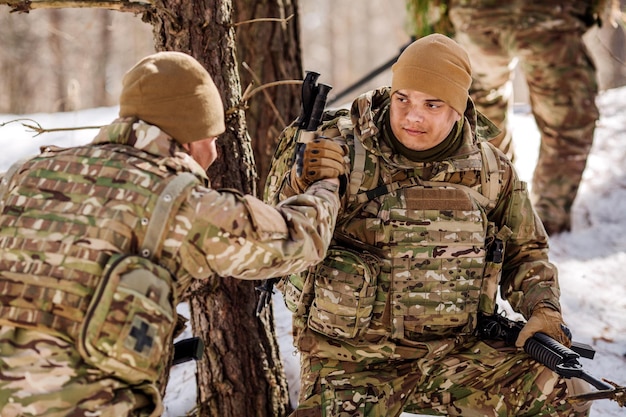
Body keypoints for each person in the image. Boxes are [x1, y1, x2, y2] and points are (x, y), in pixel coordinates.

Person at [0, 51, 347, 417]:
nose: (214, 152)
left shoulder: (25, 175)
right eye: (213, 137)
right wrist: (326, 182)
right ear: (192, 137)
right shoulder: (184, 204)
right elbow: (300, 239)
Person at [265, 34, 592, 417]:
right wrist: (302, 184)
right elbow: (275, 240)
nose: (412, 115)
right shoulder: (337, 149)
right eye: (403, 98)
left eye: (431, 104)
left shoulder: (490, 170)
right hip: (350, 362)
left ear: (457, 108)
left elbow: (526, 251)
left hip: (455, 356)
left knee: (565, 390)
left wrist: (544, 307)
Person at [444, 0, 602, 235]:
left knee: (480, 107)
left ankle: (496, 201)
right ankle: (547, 220)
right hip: (547, 17)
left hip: (477, 16)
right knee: (568, 122)